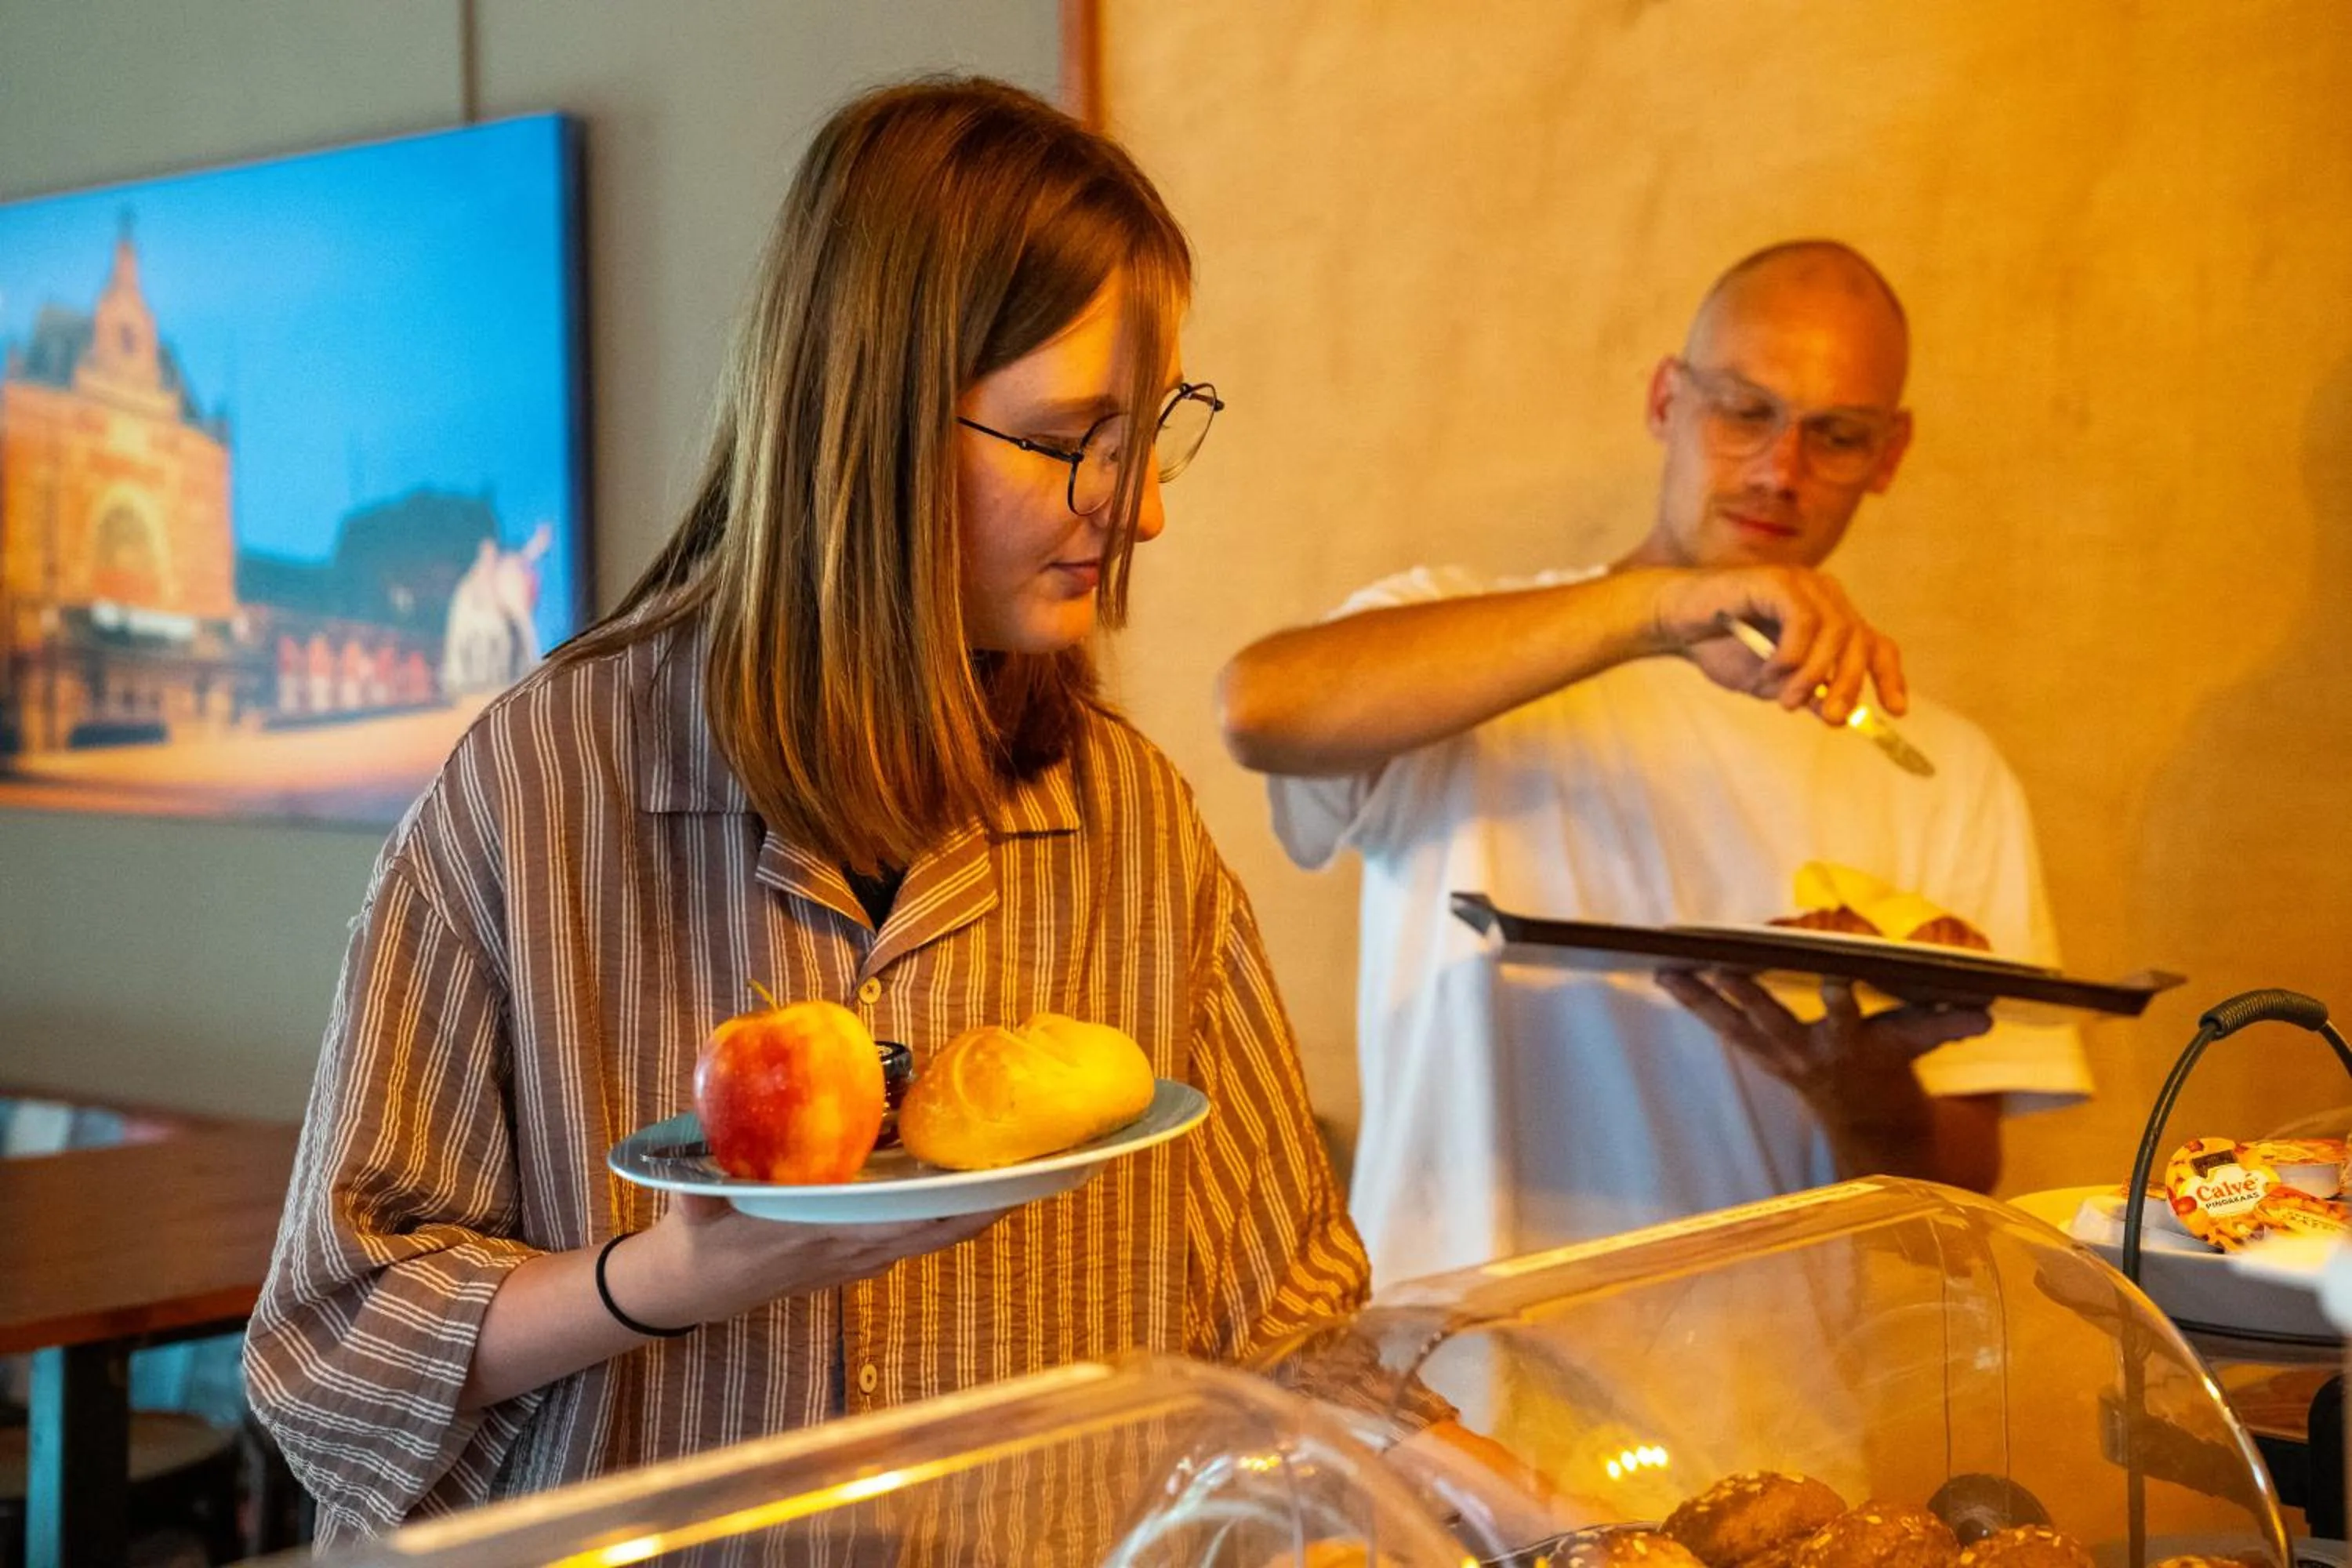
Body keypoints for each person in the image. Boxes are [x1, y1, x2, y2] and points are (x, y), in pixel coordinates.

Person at [245, 78, 1371, 1542]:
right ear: (875, 415)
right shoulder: (545, 785)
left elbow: (1295, 1321)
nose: (1142, 506)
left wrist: (1518, 1508)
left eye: (1152, 430)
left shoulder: (1131, 823)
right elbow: (330, 1347)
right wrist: (666, 1284)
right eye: (1078, 436)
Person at [1218, 241, 2092, 1287]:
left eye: (1838, 436)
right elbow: (1261, 706)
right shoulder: (1453, 645)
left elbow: (1956, 1197)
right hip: (1446, 1394)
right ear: (1666, 400)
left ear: (1890, 454)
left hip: (1780, 1413)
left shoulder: (1945, 767)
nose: (1781, 470)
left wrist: (1865, 1101)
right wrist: (1661, 611)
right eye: (1744, 411)